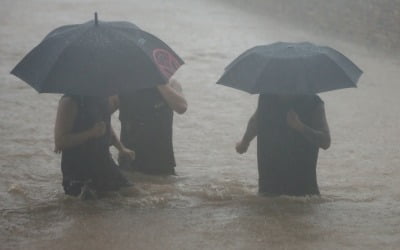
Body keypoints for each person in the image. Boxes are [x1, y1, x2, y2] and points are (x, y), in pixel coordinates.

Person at [235, 94, 331, 196]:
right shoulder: (267, 97)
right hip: (269, 186)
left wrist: (300, 127)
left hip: (303, 190)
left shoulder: (313, 103)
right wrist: (244, 142)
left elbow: (326, 141)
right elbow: (255, 122)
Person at [54, 95, 135, 197]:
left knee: (134, 195)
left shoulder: (103, 98)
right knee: (92, 206)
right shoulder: (69, 101)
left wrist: (121, 148)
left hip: (104, 163)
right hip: (78, 169)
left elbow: (105, 126)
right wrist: (90, 133)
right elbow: (60, 141)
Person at [117, 78, 187, 175]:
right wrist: (119, 147)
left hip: (161, 160)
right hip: (130, 156)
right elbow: (104, 116)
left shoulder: (171, 83)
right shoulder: (123, 84)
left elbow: (182, 107)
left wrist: (159, 83)